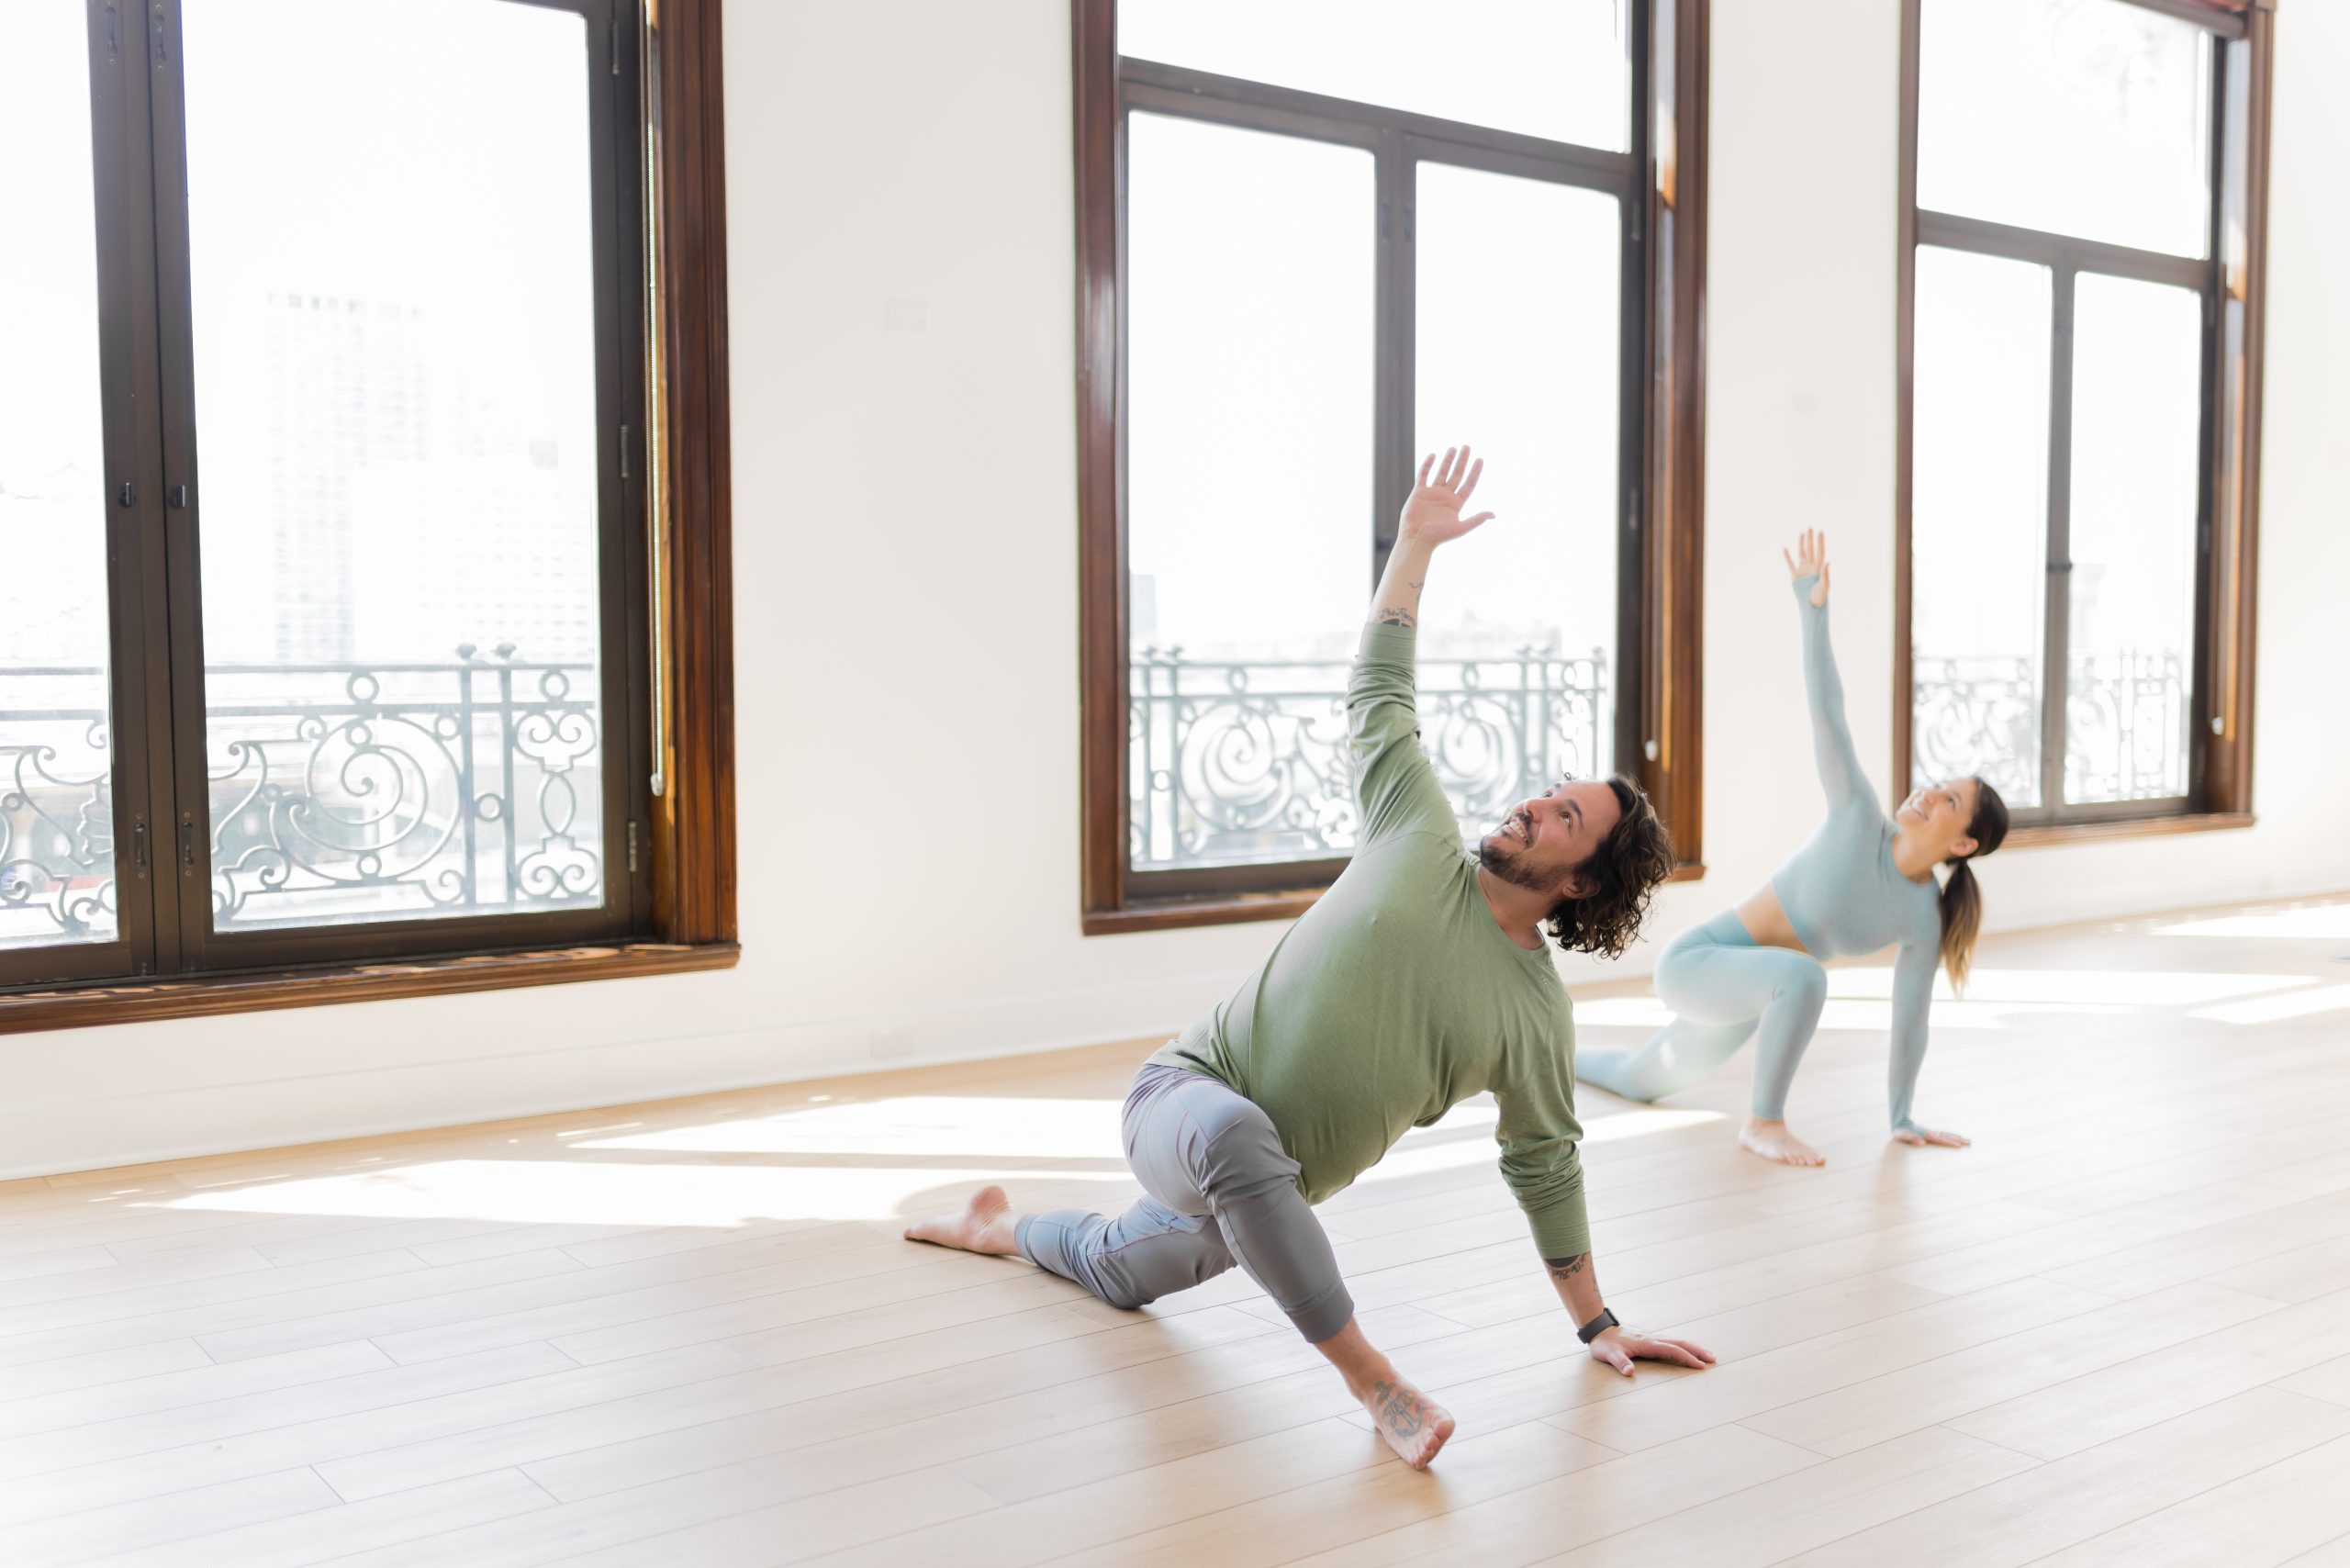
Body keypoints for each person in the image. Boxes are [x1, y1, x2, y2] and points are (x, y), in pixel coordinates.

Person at [908, 447, 1713, 1471]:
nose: (1529, 802)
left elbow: (1544, 1164)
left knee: (1115, 1266)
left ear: (1582, 883)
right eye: (1546, 789)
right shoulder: (1415, 831)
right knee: (1237, 1135)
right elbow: (1379, 688)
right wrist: (1415, 543)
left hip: (1260, 1201)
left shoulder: (1531, 1015)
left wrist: (1598, 1325)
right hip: (1185, 1098)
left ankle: (993, 1228)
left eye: (1563, 815)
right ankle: (1375, 1381)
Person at [1576, 529, 2009, 1167]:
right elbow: (1826, 712)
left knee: (1642, 1079)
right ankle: (1764, 1122)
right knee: (1804, 974)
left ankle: (1551, 1054)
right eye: (1936, 783)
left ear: (1964, 842)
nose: (1928, 792)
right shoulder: (1858, 813)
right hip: (1700, 963)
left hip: (1754, 997)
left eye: (1949, 800)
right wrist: (1814, 608)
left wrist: (1902, 1116)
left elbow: (1910, 1021)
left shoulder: (1924, 918)